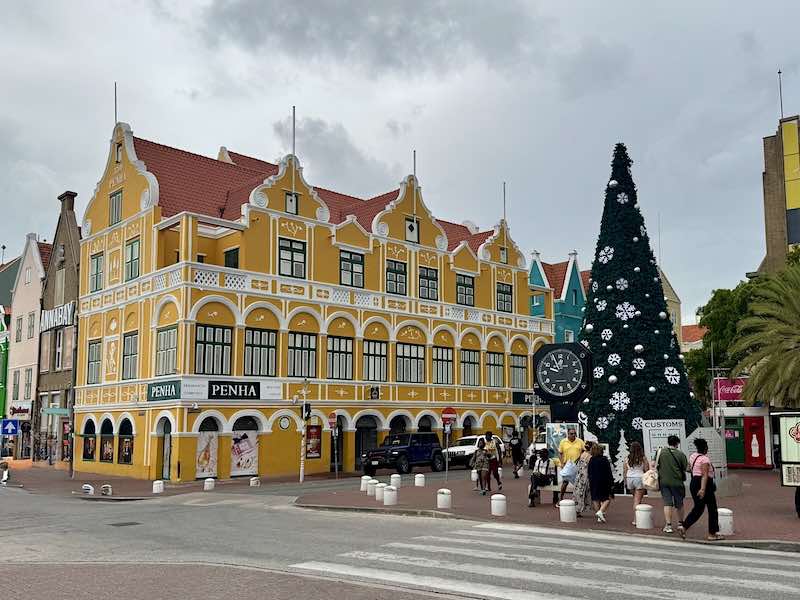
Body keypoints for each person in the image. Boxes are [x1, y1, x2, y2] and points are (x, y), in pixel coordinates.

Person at [681, 438, 723, 541]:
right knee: (712, 508)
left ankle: (684, 526)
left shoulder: (693, 456)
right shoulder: (705, 459)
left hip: (694, 482)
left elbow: (689, 469)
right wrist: (703, 489)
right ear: (705, 449)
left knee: (698, 508)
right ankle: (712, 533)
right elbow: (705, 475)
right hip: (704, 484)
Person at [655, 434, 688, 534]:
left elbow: (653, 464)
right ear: (677, 443)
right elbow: (686, 468)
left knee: (667, 503)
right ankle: (680, 523)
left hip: (664, 481)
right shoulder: (681, 454)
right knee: (679, 504)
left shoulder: (660, 452)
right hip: (677, 482)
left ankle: (668, 525)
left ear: (668, 442)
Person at [624, 441, 650, 526]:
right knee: (637, 500)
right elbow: (646, 470)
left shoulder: (627, 458)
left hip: (629, 478)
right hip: (639, 478)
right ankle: (636, 519)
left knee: (635, 498)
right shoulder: (643, 458)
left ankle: (638, 515)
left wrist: (625, 481)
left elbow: (625, 470)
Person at [587, 443, 614, 523]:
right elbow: (609, 472)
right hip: (604, 481)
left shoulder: (591, 459)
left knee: (595, 498)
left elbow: (589, 471)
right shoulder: (604, 459)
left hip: (593, 481)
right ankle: (601, 511)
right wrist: (611, 482)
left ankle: (599, 515)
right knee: (607, 498)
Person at [558, 427, 585, 501]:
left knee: (578, 483)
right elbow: (560, 453)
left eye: (574, 433)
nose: (573, 435)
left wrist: (581, 457)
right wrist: (562, 463)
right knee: (565, 482)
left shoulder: (580, 441)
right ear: (568, 434)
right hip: (567, 465)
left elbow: (585, 450)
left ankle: (577, 500)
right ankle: (560, 499)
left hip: (578, 465)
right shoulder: (563, 442)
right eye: (571, 434)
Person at [572, 441, 594, 516]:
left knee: (578, 493)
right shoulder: (590, 456)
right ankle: (580, 509)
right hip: (585, 476)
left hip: (579, 475)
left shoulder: (582, 454)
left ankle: (577, 509)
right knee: (584, 493)